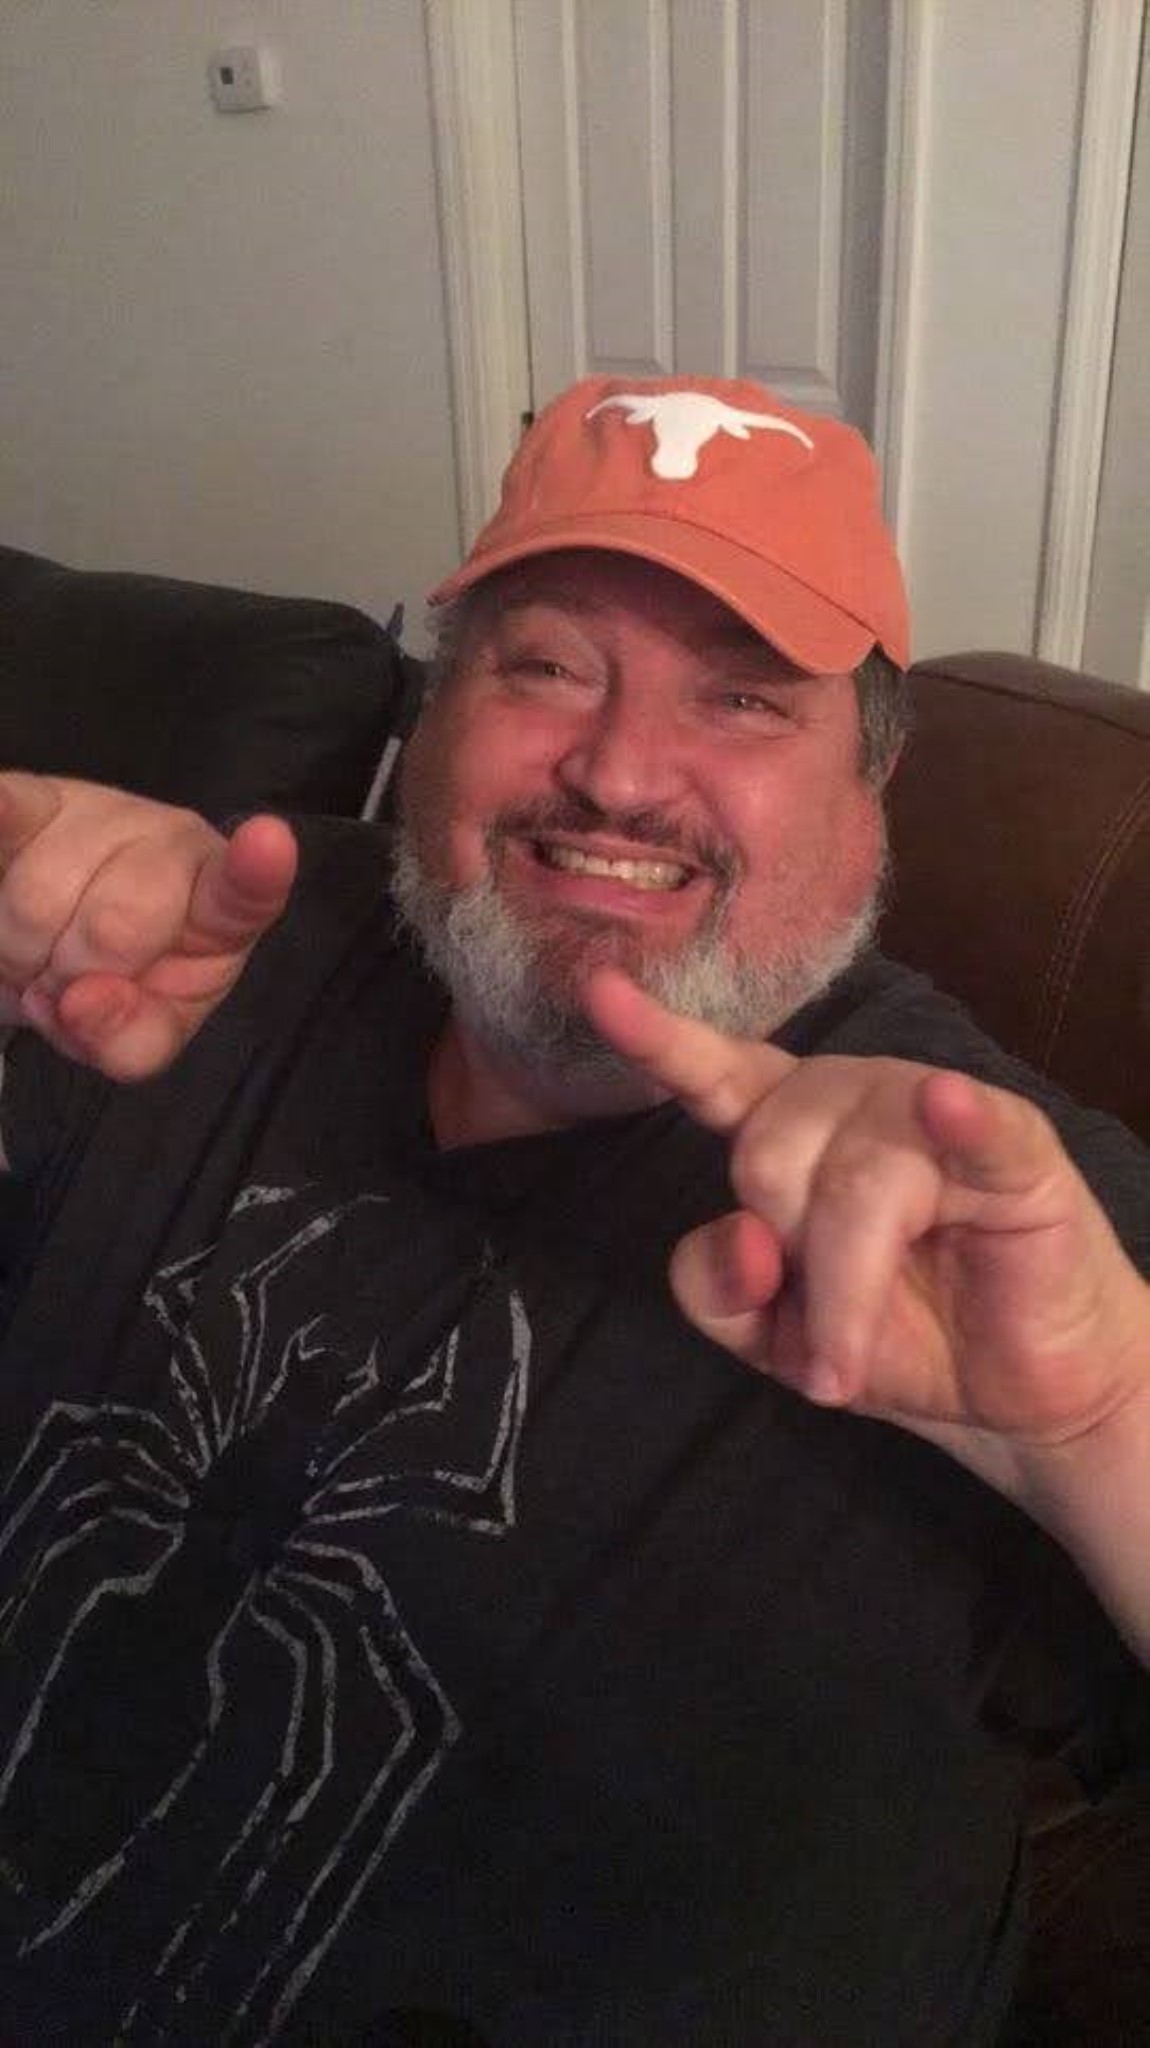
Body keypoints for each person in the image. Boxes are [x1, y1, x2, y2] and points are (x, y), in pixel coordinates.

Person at [0, 374, 1147, 2047]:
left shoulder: (1007, 1217)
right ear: (432, 714)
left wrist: (1107, 1422)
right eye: (545, 667)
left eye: (741, 698)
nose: (617, 773)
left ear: (869, 791)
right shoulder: (203, 938)